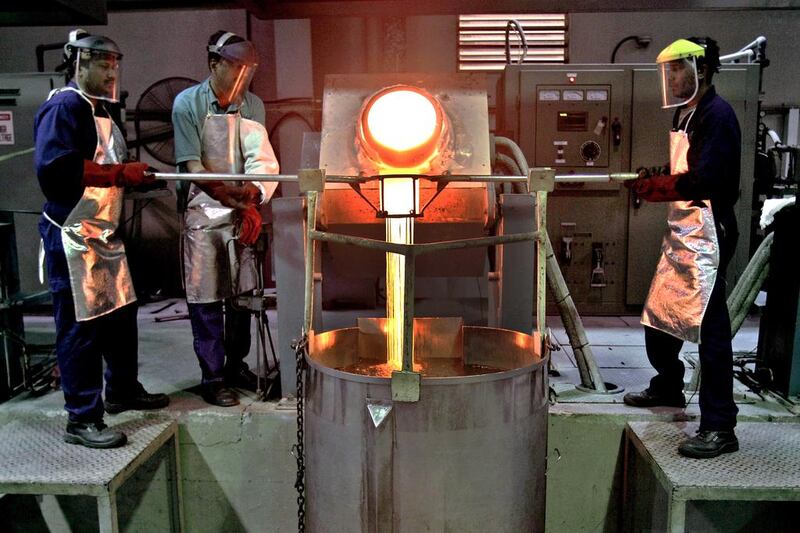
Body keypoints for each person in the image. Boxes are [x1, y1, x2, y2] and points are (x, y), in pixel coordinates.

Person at [34, 30, 169, 449]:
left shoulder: (103, 109)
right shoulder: (64, 106)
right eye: (102, 63)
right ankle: (82, 418)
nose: (111, 70)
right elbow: (55, 169)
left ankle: (122, 390)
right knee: (81, 329)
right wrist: (116, 174)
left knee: (121, 315)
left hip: (104, 234)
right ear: (79, 63)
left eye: (115, 63)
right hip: (74, 235)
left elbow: (105, 162)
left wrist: (131, 173)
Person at [622, 37, 741, 459]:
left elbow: (708, 179)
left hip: (708, 233)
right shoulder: (683, 113)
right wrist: (656, 177)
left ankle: (720, 426)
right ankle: (668, 385)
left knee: (711, 333)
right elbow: (684, 168)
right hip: (681, 231)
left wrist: (661, 187)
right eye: (667, 70)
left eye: (677, 69)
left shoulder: (717, 116)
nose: (670, 78)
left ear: (700, 70)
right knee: (658, 316)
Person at [172, 31, 279, 406]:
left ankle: (236, 365)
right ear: (214, 64)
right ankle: (212, 376)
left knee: (243, 296)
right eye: (234, 68)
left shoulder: (252, 106)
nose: (241, 78)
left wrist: (251, 203)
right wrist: (224, 194)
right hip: (204, 210)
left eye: (247, 71)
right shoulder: (187, 104)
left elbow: (257, 158)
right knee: (206, 297)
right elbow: (192, 166)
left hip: (239, 208)